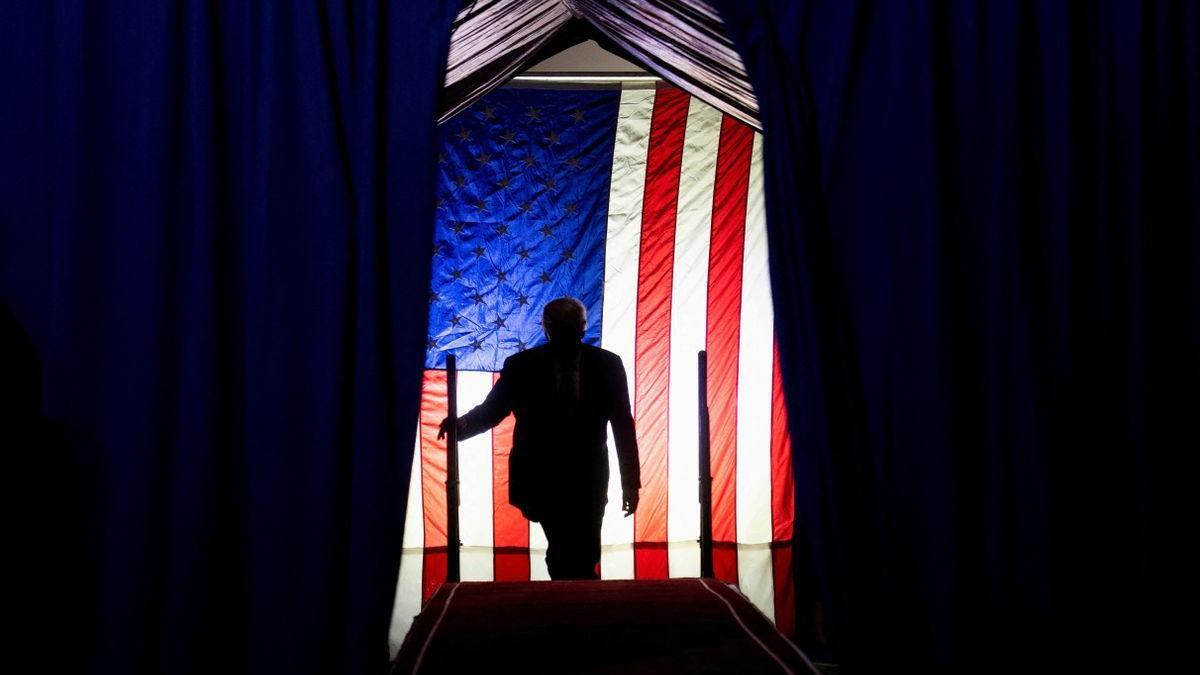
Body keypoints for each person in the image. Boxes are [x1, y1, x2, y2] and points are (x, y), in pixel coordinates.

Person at [439, 297, 639, 580]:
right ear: (549, 328)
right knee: (567, 552)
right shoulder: (522, 366)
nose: (565, 333)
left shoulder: (606, 365)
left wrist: (631, 483)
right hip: (542, 477)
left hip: (588, 478)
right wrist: (461, 426)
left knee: (580, 551)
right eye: (560, 327)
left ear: (581, 328)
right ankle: (578, 609)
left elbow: (622, 423)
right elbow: (493, 410)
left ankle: (570, 609)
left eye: (568, 327)